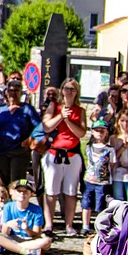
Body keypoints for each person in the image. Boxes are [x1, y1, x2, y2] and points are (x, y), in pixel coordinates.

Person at [41, 77, 86, 236]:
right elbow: (46, 127)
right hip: (54, 154)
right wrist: (61, 116)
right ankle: (49, 224)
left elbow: (81, 133)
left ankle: (69, 225)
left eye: (72, 89)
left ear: (76, 92)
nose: (69, 92)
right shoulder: (54, 106)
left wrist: (68, 121)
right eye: (66, 88)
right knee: (51, 190)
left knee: (71, 191)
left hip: (72, 154)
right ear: (62, 90)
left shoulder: (80, 111)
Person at [0, 178, 50, 255]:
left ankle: (8, 248)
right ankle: (25, 251)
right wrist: (8, 225)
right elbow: (4, 232)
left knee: (46, 241)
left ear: (31, 194)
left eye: (25, 191)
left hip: (29, 239)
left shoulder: (37, 210)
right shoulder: (8, 207)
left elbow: (36, 233)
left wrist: (26, 229)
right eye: (19, 191)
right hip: (12, 238)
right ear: (14, 192)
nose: (22, 194)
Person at [81, 120, 114, 235]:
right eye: (97, 130)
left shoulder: (110, 149)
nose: (99, 133)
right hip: (89, 180)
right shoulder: (89, 147)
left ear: (106, 132)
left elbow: (112, 164)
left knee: (100, 205)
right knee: (86, 203)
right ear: (92, 132)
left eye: (102, 131)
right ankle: (85, 225)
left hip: (102, 181)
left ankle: (99, 225)